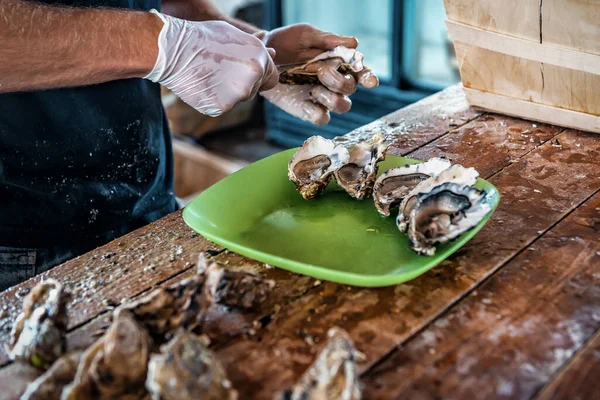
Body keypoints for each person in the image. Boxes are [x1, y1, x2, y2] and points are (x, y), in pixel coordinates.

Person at [0, 0, 379, 290]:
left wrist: (256, 47)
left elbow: (151, 3)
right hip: (21, 240)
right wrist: (165, 45)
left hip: (149, 199)